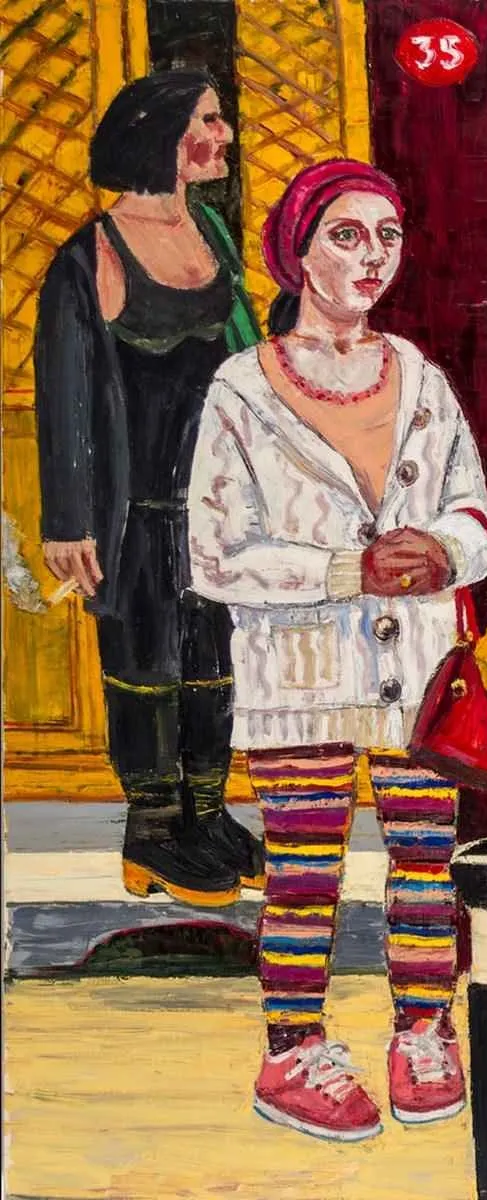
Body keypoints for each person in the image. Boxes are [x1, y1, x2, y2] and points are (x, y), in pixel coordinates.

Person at [188, 159, 487, 1142]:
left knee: (425, 862)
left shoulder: (419, 377)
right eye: (347, 235)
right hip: (300, 673)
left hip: (418, 671)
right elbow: (215, 553)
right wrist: (343, 570)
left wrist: (441, 549)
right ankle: (291, 1052)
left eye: (387, 237)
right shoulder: (243, 388)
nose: (371, 257)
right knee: (303, 869)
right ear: (299, 250)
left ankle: (423, 1030)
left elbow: (477, 519)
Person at [34, 70, 264, 906]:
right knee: (146, 667)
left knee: (214, 663)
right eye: (209, 120)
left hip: (216, 505)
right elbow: (64, 398)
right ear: (161, 135)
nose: (224, 135)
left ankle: (206, 813)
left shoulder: (212, 230)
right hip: (134, 511)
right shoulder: (90, 253)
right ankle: (154, 830)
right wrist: (68, 521)